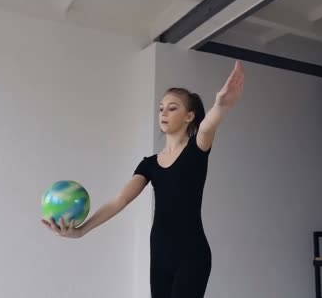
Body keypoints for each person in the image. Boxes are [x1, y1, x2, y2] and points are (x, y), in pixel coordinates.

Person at [42, 60, 245, 297]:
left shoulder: (196, 150)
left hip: (192, 254)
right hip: (159, 254)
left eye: (172, 108)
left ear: (189, 116)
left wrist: (221, 106)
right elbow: (120, 200)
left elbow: (207, 127)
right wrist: (81, 231)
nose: (163, 113)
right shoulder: (149, 164)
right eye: (161, 108)